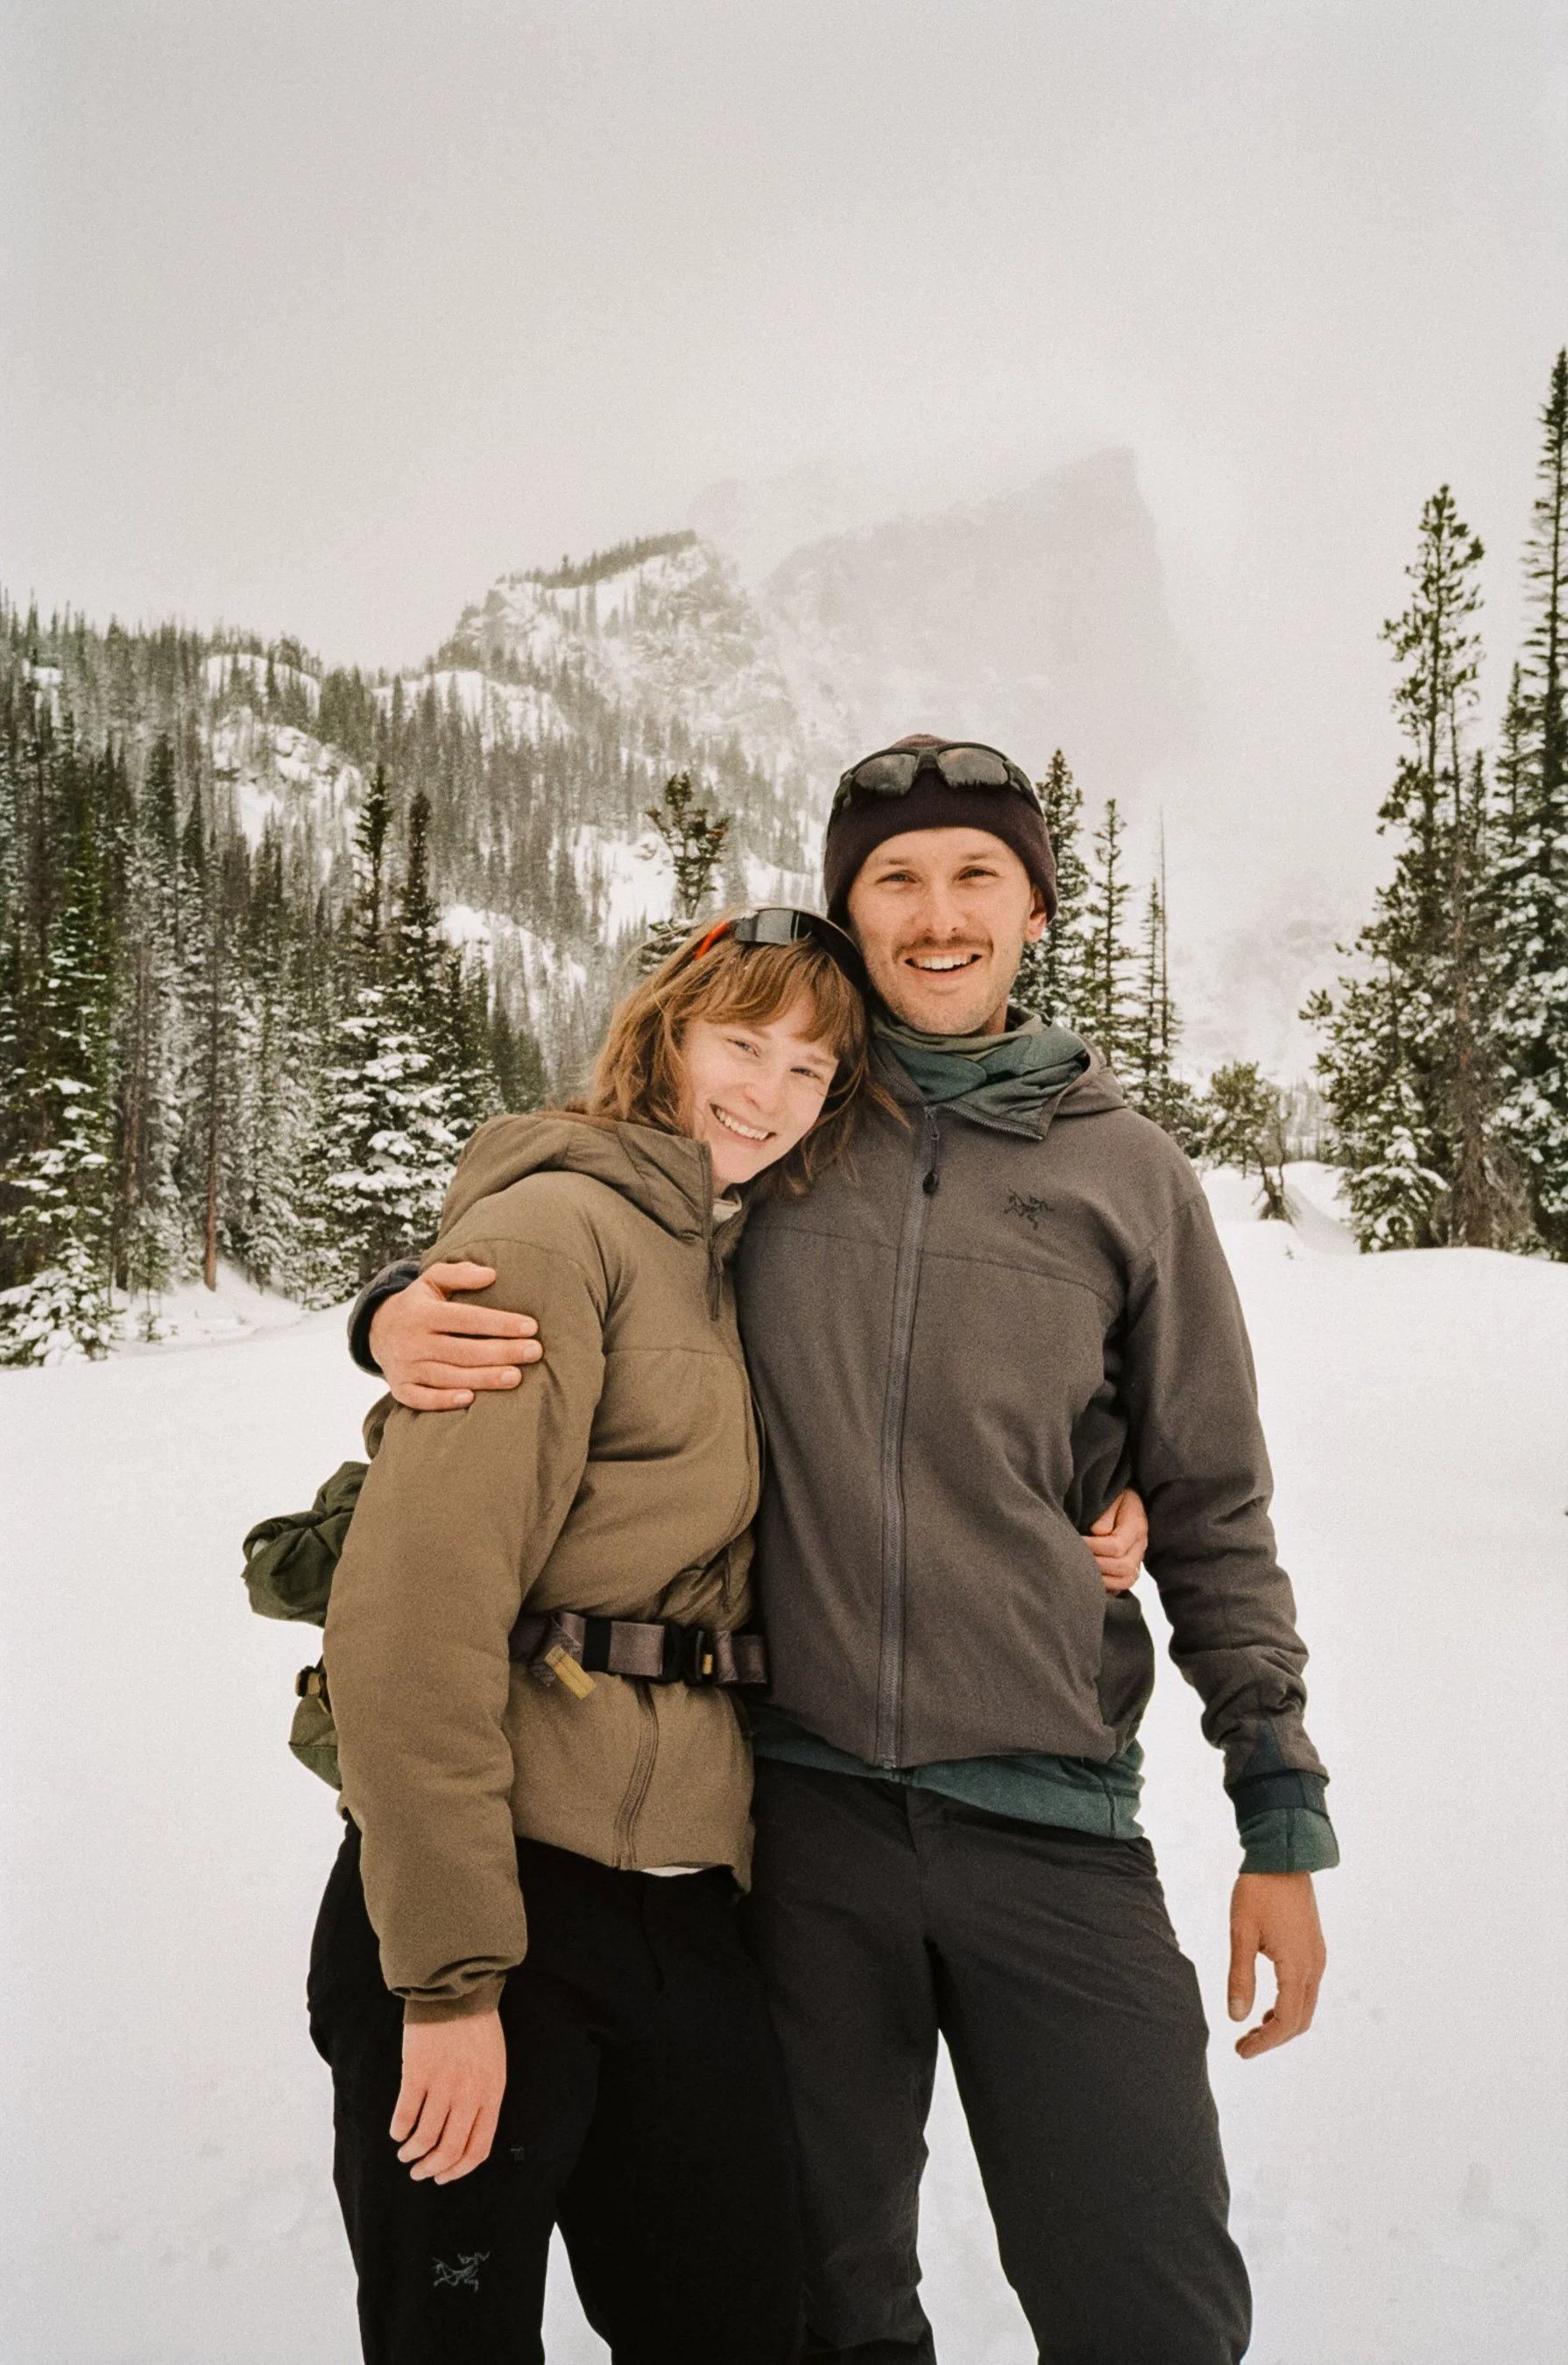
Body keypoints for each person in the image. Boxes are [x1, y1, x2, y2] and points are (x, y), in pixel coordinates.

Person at [354, 738, 1337, 2365]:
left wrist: (1280, 1810)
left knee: (1145, 2299)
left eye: (975, 877)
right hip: (796, 1826)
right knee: (820, 2302)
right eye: (895, 876)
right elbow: (590, 1199)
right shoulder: (785, 1133)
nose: (935, 914)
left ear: (1034, 909)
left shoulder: (1129, 1180)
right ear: (849, 908)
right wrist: (390, 1303)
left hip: (1051, 1819)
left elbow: (1215, 1504)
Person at [311, 911, 868, 2365]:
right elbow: (411, 1612)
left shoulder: (737, 1261)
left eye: (810, 1067)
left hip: (688, 1912)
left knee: (736, 2325)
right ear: (664, 1034)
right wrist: (447, 1983)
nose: (768, 1089)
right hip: (507, 1907)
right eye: (741, 1043)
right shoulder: (555, 1231)